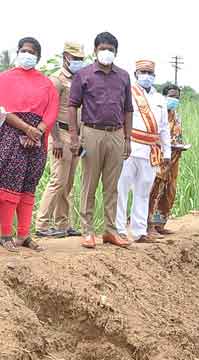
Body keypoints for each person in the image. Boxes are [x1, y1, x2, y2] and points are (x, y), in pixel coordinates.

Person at [68, 31, 133, 249]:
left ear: (116, 52)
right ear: (95, 50)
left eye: (111, 49)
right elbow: (72, 106)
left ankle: (110, 231)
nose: (107, 52)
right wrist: (74, 137)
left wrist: (128, 138)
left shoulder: (123, 76)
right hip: (91, 132)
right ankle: (87, 231)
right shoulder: (84, 75)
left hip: (116, 134)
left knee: (112, 185)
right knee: (89, 183)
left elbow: (128, 109)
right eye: (103, 48)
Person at [0, 37, 59, 252]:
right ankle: (5, 234)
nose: (28, 54)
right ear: (18, 52)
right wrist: (26, 129)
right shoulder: (3, 79)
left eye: (32, 52)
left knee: (29, 185)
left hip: (37, 138)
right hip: (12, 134)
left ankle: (23, 235)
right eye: (24, 50)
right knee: (9, 184)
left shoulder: (46, 83)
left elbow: (52, 109)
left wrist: (39, 131)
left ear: (38, 57)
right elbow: (2, 110)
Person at [35, 41, 86, 239]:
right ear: (66, 57)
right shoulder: (56, 80)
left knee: (69, 182)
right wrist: (55, 139)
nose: (78, 62)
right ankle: (42, 224)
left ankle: (63, 224)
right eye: (75, 59)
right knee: (57, 180)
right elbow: (49, 111)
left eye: (81, 59)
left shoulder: (79, 79)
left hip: (75, 136)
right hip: (60, 134)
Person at [115, 60, 171, 243]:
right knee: (121, 189)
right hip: (129, 147)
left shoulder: (160, 99)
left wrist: (167, 152)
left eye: (149, 72)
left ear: (154, 75)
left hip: (151, 151)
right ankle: (119, 229)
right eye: (143, 72)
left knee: (143, 191)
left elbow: (164, 129)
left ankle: (139, 231)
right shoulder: (128, 93)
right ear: (136, 73)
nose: (146, 75)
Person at [148, 83, 184, 237]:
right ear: (164, 97)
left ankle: (160, 223)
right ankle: (148, 224)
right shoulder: (157, 112)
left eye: (176, 97)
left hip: (174, 157)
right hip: (159, 156)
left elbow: (177, 136)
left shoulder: (176, 116)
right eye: (171, 96)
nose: (174, 100)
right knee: (154, 190)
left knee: (169, 191)